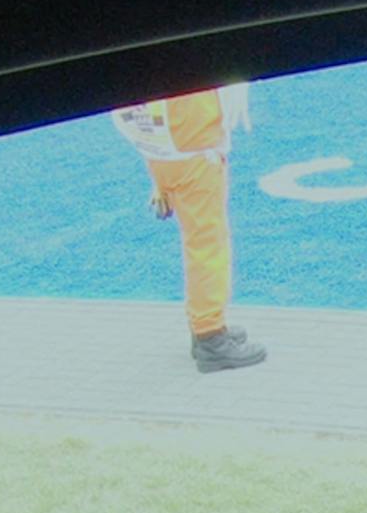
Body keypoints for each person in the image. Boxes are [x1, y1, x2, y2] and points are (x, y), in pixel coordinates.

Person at [111, 86, 268, 372]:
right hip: (193, 151)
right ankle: (210, 337)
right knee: (207, 243)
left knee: (200, 240)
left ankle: (204, 328)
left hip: (158, 144)